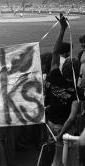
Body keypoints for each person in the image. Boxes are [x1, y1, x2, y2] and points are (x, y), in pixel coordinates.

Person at [45, 13, 84, 166]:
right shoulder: (76, 91)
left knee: (51, 156)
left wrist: (62, 29)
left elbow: (55, 53)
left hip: (50, 123)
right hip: (62, 127)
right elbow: (72, 117)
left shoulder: (54, 75)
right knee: (59, 160)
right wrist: (61, 134)